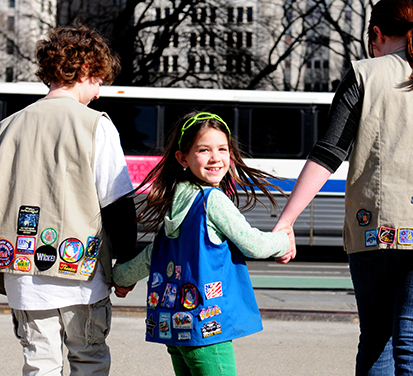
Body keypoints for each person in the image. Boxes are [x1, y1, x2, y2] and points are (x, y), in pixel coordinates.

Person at [273, 0, 413, 375]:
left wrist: (286, 221)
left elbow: (327, 154)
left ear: (376, 33)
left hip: (376, 226)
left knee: (377, 339)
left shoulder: (364, 74)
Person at [0, 25, 138, 375]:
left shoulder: (10, 125)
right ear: (86, 70)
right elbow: (117, 202)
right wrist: (126, 264)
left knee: (39, 362)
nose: (99, 92)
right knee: (87, 357)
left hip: (22, 271)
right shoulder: (95, 125)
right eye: (98, 81)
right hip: (81, 272)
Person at [112, 111, 295, 376]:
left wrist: (122, 275)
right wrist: (283, 240)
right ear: (182, 158)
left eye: (222, 149)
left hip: (175, 328)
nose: (215, 158)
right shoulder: (213, 200)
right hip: (208, 328)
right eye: (203, 150)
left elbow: (154, 255)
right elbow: (253, 244)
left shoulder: (177, 200)